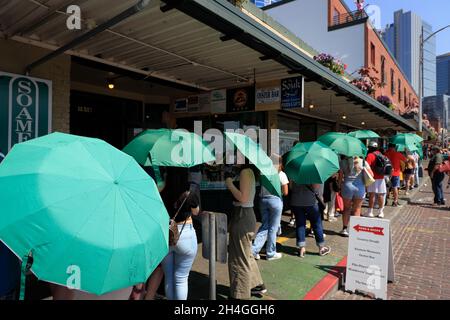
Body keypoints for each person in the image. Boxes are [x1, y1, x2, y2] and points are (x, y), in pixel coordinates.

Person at [225, 163, 266, 299]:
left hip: (243, 215)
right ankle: (255, 284)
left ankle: (240, 295)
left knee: (238, 258)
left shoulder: (245, 172)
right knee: (245, 253)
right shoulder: (247, 172)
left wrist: (230, 184)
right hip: (243, 215)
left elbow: (243, 198)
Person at [159, 167, 200, 300]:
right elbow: (195, 212)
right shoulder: (190, 190)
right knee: (181, 278)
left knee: (169, 277)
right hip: (185, 233)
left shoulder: (160, 189)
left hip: (166, 234)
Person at [252, 155, 289, 261]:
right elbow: (286, 192)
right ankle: (270, 253)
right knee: (273, 228)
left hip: (263, 200)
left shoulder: (263, 172)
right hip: (276, 201)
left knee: (265, 226)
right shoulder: (281, 174)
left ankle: (254, 251)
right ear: (280, 164)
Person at [290, 181, 331, 257]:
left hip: (296, 201)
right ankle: (321, 248)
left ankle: (301, 248)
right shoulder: (313, 172)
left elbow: (291, 187)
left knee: (300, 224)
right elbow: (316, 188)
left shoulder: (295, 172)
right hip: (311, 202)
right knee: (316, 224)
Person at [339, 156, 365, 236]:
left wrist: (340, 186)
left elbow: (340, 177)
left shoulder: (343, 162)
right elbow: (371, 174)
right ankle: (355, 231)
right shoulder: (363, 161)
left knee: (346, 208)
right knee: (357, 209)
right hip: (360, 187)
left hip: (347, 186)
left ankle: (344, 229)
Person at [364, 142, 387, 218]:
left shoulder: (370, 155)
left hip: (372, 178)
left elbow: (366, 167)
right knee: (381, 195)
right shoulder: (381, 154)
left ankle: (370, 212)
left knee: (372, 194)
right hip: (381, 177)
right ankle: (381, 212)